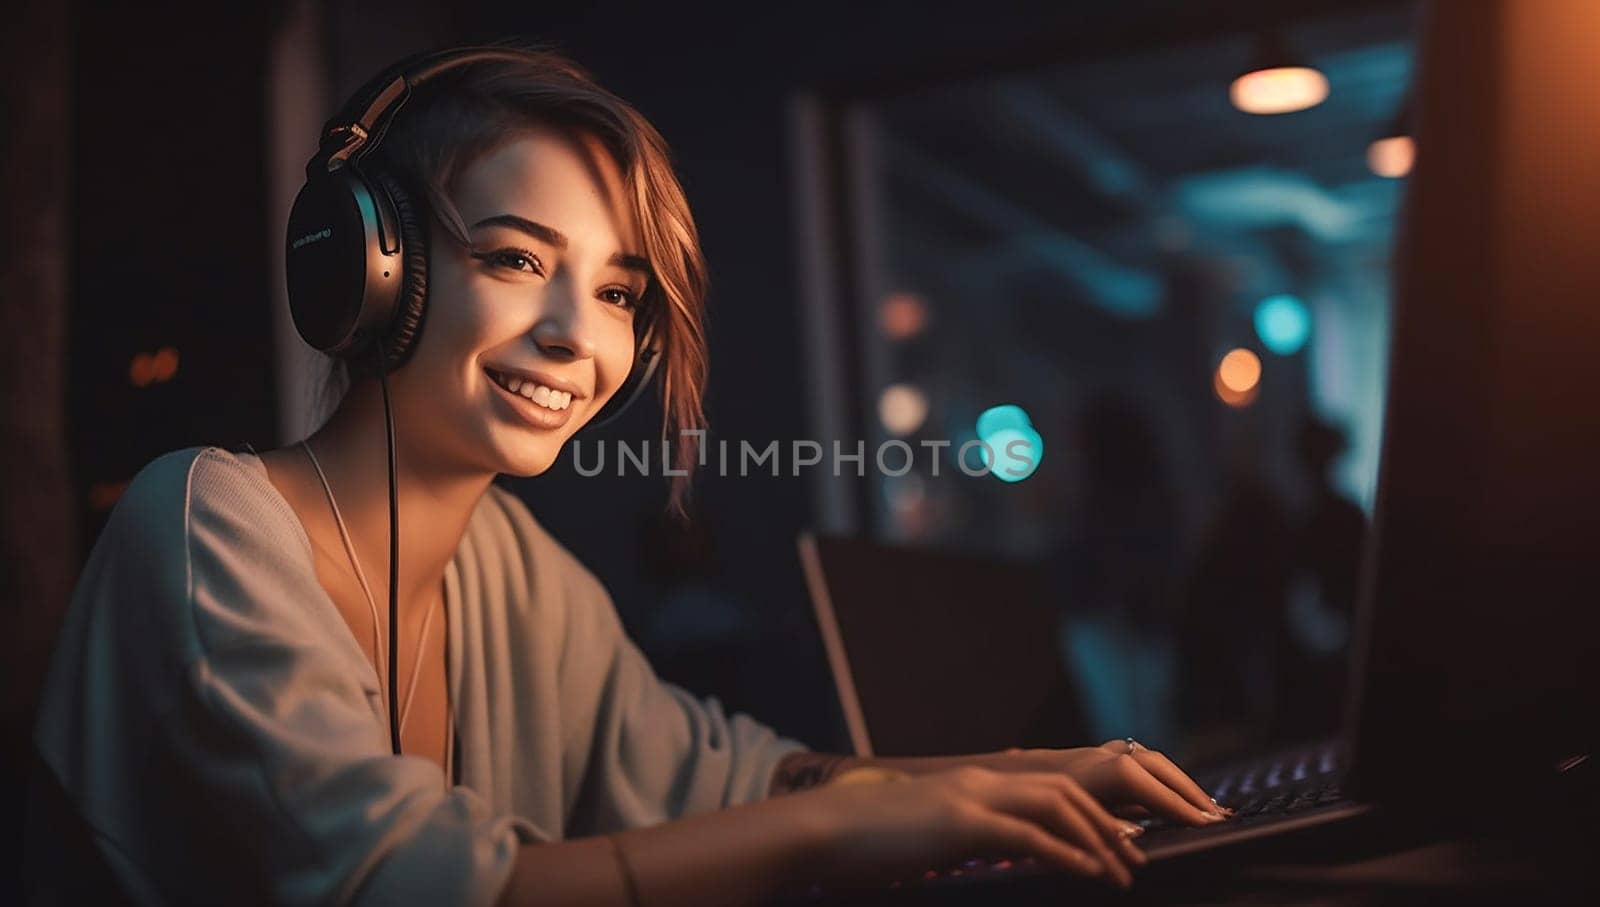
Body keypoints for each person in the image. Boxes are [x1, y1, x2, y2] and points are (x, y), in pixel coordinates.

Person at [24, 45, 1228, 907]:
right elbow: (397, 885)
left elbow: (735, 776)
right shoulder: (202, 519)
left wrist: (1003, 780)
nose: (576, 334)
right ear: (367, 268)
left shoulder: (514, 570)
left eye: (616, 291)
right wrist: (837, 828)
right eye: (512, 257)